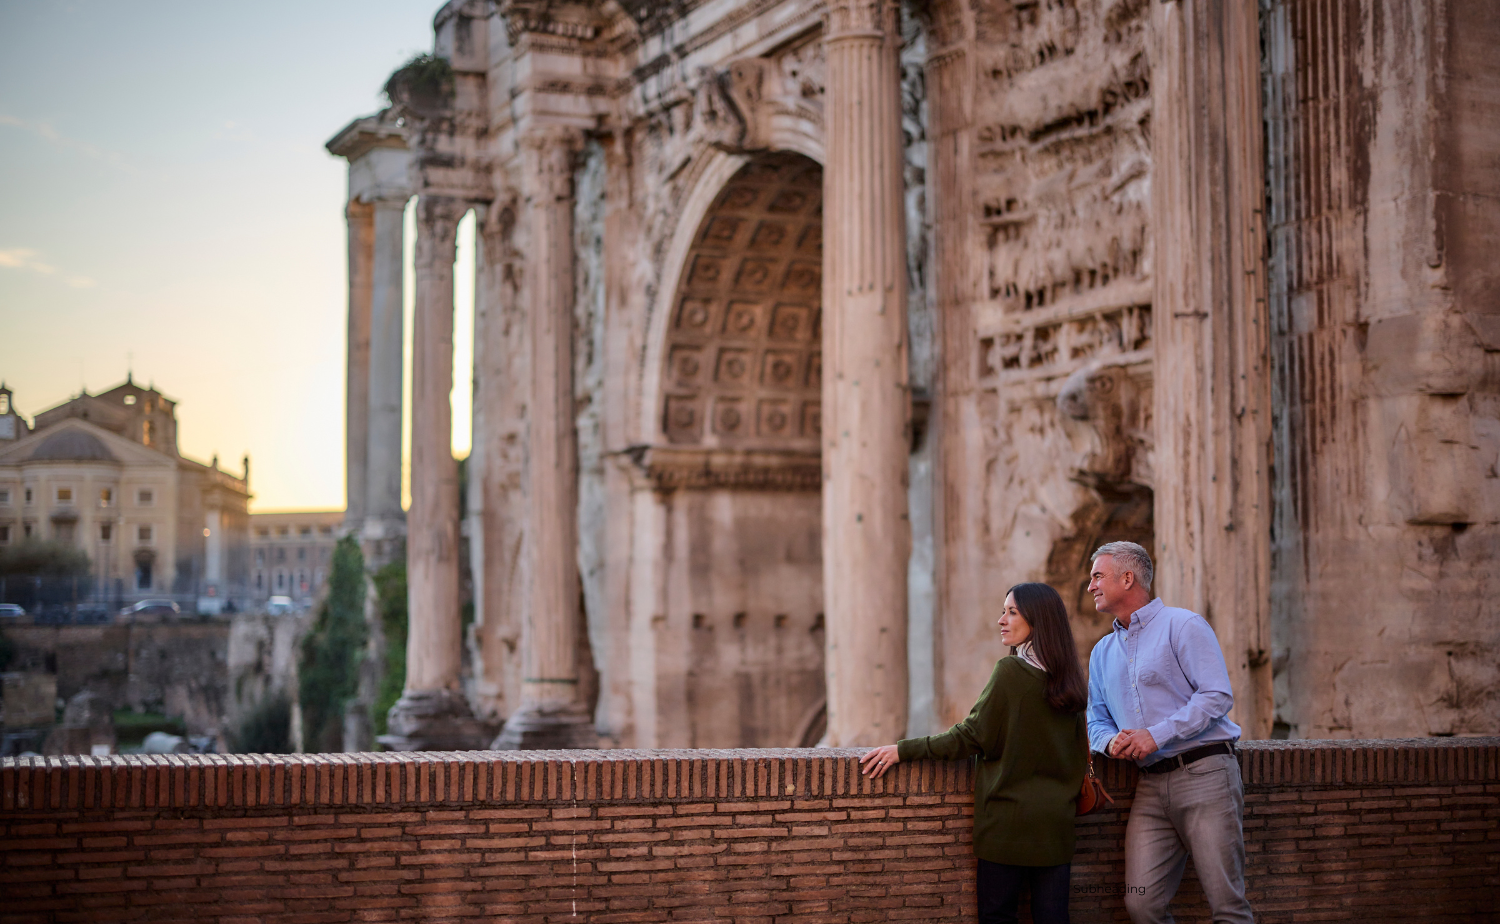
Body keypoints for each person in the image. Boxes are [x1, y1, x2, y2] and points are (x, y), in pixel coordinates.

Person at [861, 583, 1088, 924]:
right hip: (1056, 826)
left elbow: (968, 737)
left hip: (1007, 826)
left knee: (997, 916)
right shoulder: (1069, 680)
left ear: (1037, 621)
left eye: (1011, 612)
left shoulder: (1011, 672)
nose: (1001, 620)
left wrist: (903, 750)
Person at [1084, 541, 1254, 924]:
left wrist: (1155, 735)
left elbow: (1216, 696)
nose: (1090, 585)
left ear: (1127, 578)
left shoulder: (1184, 624)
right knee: (1141, 903)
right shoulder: (1101, 652)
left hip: (1205, 776)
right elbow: (1094, 721)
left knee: (1228, 906)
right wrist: (1111, 742)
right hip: (1149, 786)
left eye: (1097, 576)